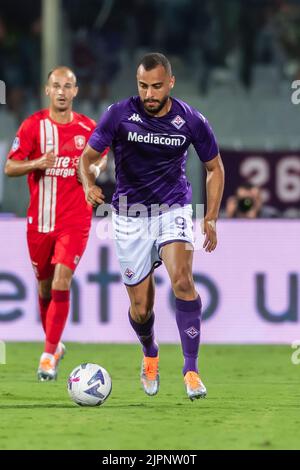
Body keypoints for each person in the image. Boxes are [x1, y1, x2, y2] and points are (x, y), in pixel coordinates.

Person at [80, 53, 225, 400]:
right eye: (143, 86)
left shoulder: (191, 121)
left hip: (172, 209)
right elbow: (88, 158)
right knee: (141, 309)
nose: (149, 94)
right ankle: (150, 352)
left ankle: (191, 370)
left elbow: (214, 167)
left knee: (182, 280)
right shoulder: (118, 114)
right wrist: (88, 184)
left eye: (157, 86)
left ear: (170, 83)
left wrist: (211, 217)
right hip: (129, 215)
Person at [4, 66, 108, 381]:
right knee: (45, 286)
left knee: (63, 279)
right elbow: (10, 167)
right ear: (47, 90)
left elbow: (102, 157)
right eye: (56, 86)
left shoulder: (88, 127)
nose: (62, 91)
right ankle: (55, 344)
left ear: (76, 91)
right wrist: (38, 162)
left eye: (68, 86)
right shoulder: (33, 126)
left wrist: (94, 171)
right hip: (40, 221)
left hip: (75, 219)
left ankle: (48, 354)